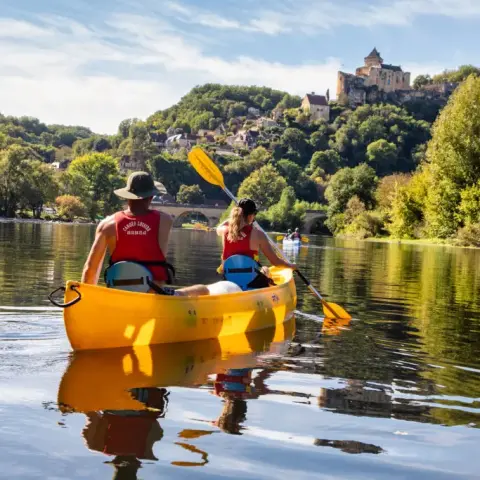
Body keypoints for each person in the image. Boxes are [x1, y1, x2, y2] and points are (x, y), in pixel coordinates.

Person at [81, 171, 212, 296]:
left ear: (127, 196)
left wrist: (87, 300)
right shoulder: (165, 220)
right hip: (154, 294)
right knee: (203, 289)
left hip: (119, 294)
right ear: (151, 197)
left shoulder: (106, 224)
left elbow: (90, 269)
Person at [216, 198, 296, 288]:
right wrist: (290, 265)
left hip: (229, 280)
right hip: (252, 281)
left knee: (263, 270)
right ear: (250, 216)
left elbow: (218, 228)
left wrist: (231, 221)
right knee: (265, 270)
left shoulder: (224, 231)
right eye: (254, 214)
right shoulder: (258, 234)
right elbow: (275, 262)